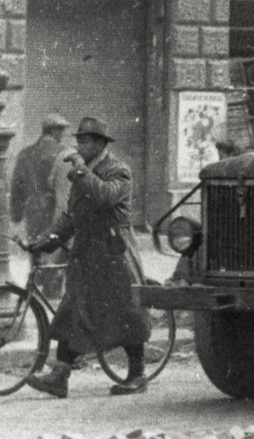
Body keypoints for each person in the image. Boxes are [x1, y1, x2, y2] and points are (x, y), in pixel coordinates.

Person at [27, 117, 151, 398]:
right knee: (73, 309)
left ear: (99, 144)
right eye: (79, 141)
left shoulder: (118, 170)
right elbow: (72, 215)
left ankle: (138, 373)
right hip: (87, 252)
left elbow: (105, 197)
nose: (79, 147)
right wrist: (46, 241)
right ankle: (59, 377)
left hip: (113, 251)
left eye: (84, 141)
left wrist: (81, 170)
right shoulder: (83, 173)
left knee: (125, 312)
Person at [10, 114, 69, 239]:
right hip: (58, 212)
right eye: (62, 130)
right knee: (57, 253)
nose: (63, 134)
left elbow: (17, 186)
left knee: (36, 250)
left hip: (33, 212)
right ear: (53, 131)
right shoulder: (64, 154)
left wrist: (16, 214)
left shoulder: (25, 154)